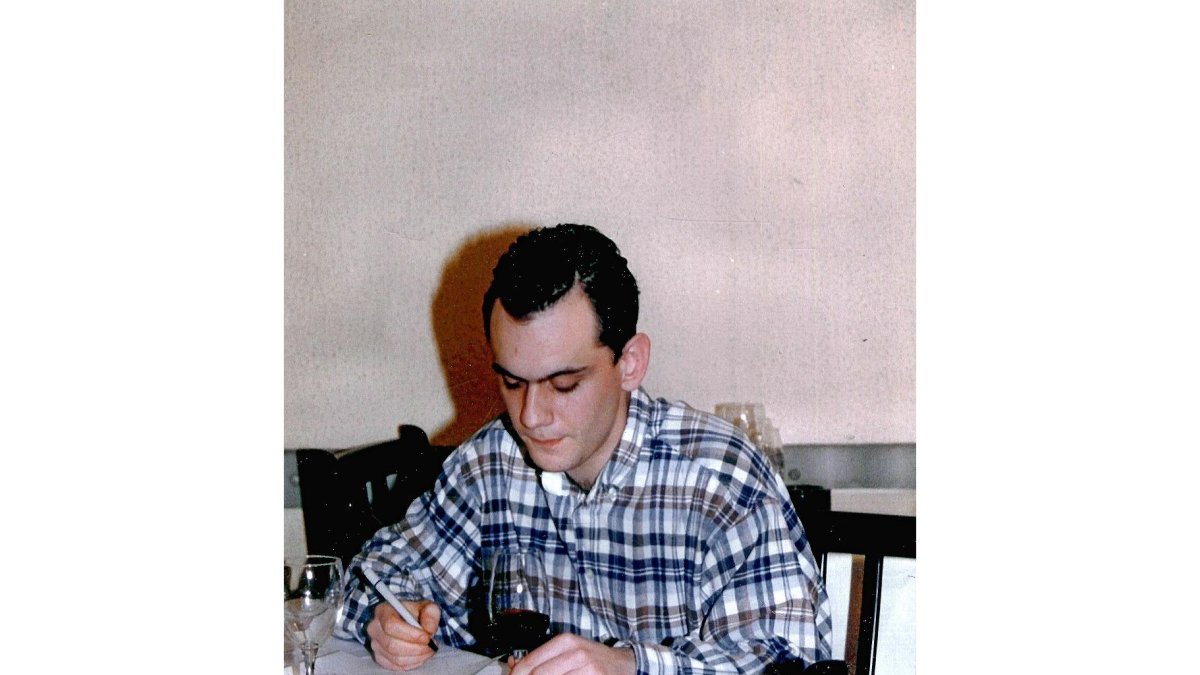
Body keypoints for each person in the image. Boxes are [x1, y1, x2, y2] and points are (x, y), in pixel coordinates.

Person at [335, 224, 833, 674]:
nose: (531, 416)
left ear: (631, 363)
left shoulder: (719, 480)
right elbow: (372, 577)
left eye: (565, 383)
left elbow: (787, 661)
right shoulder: (491, 462)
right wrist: (385, 620)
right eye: (512, 382)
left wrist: (627, 667)